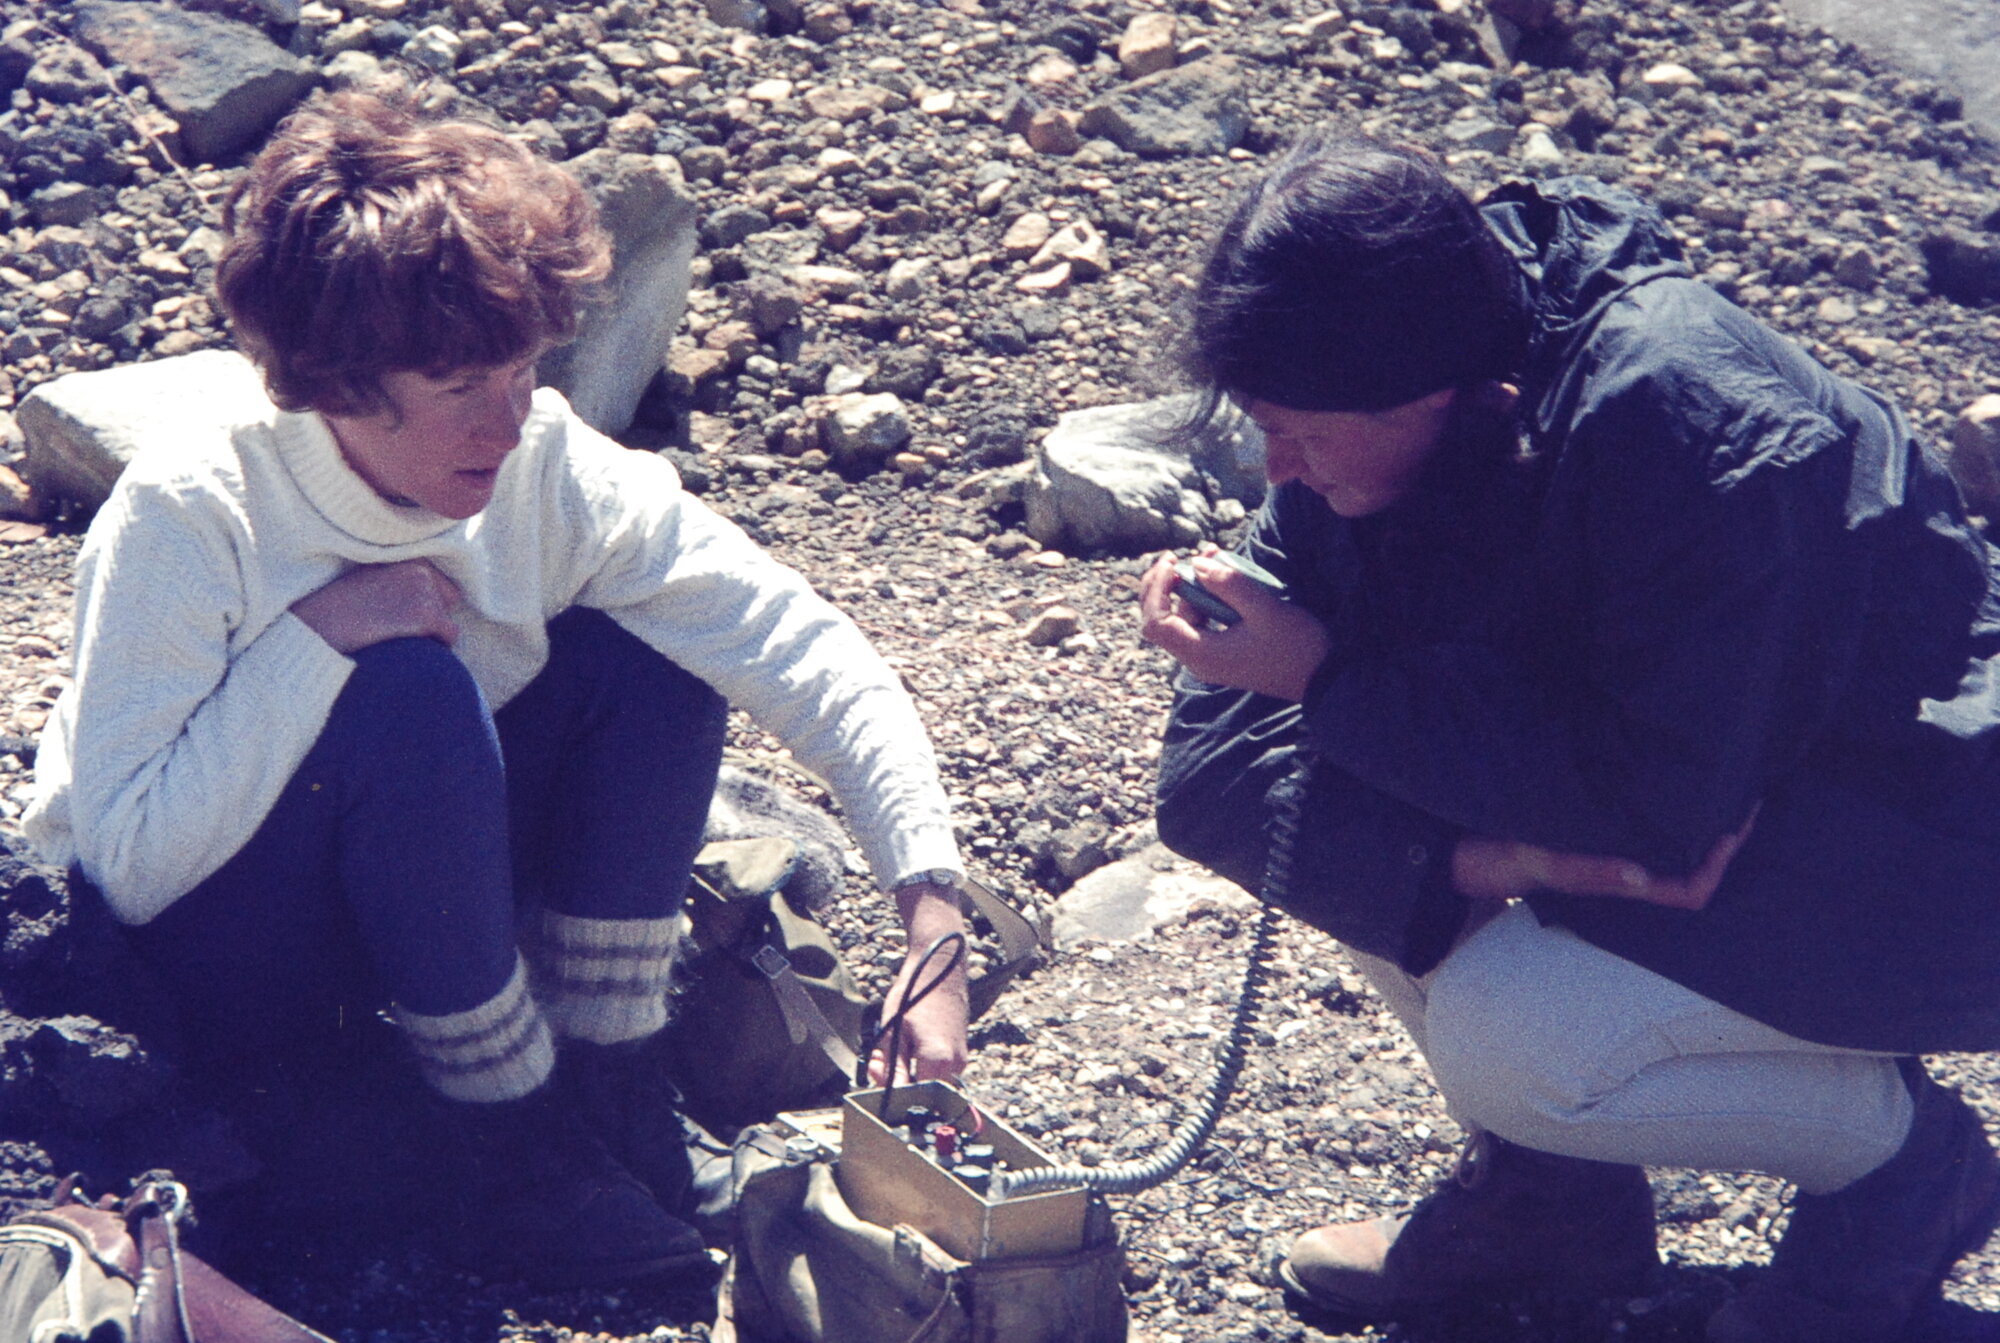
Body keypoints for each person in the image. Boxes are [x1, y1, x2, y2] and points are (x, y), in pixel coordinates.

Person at [23, 85, 970, 1285]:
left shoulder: (546, 467)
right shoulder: (194, 510)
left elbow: (794, 640)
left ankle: (609, 1095)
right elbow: (129, 863)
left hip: (411, 887)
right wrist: (323, 632)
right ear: (337, 382)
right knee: (405, 695)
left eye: (522, 369)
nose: (510, 419)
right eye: (462, 387)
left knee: (651, 656)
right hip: (203, 946)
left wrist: (929, 904)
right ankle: (507, 1143)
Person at [1138, 130, 2000, 1343]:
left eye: (1303, 431)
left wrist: (1327, 677)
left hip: (1931, 839)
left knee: (1512, 1027)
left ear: (1427, 387)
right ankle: (1553, 1204)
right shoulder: (1391, 397)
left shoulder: (1691, 427)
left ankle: (1902, 1182)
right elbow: (1212, 782)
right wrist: (1499, 861)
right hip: (1717, 803)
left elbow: (1662, 809)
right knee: (1388, 814)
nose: (1274, 470)